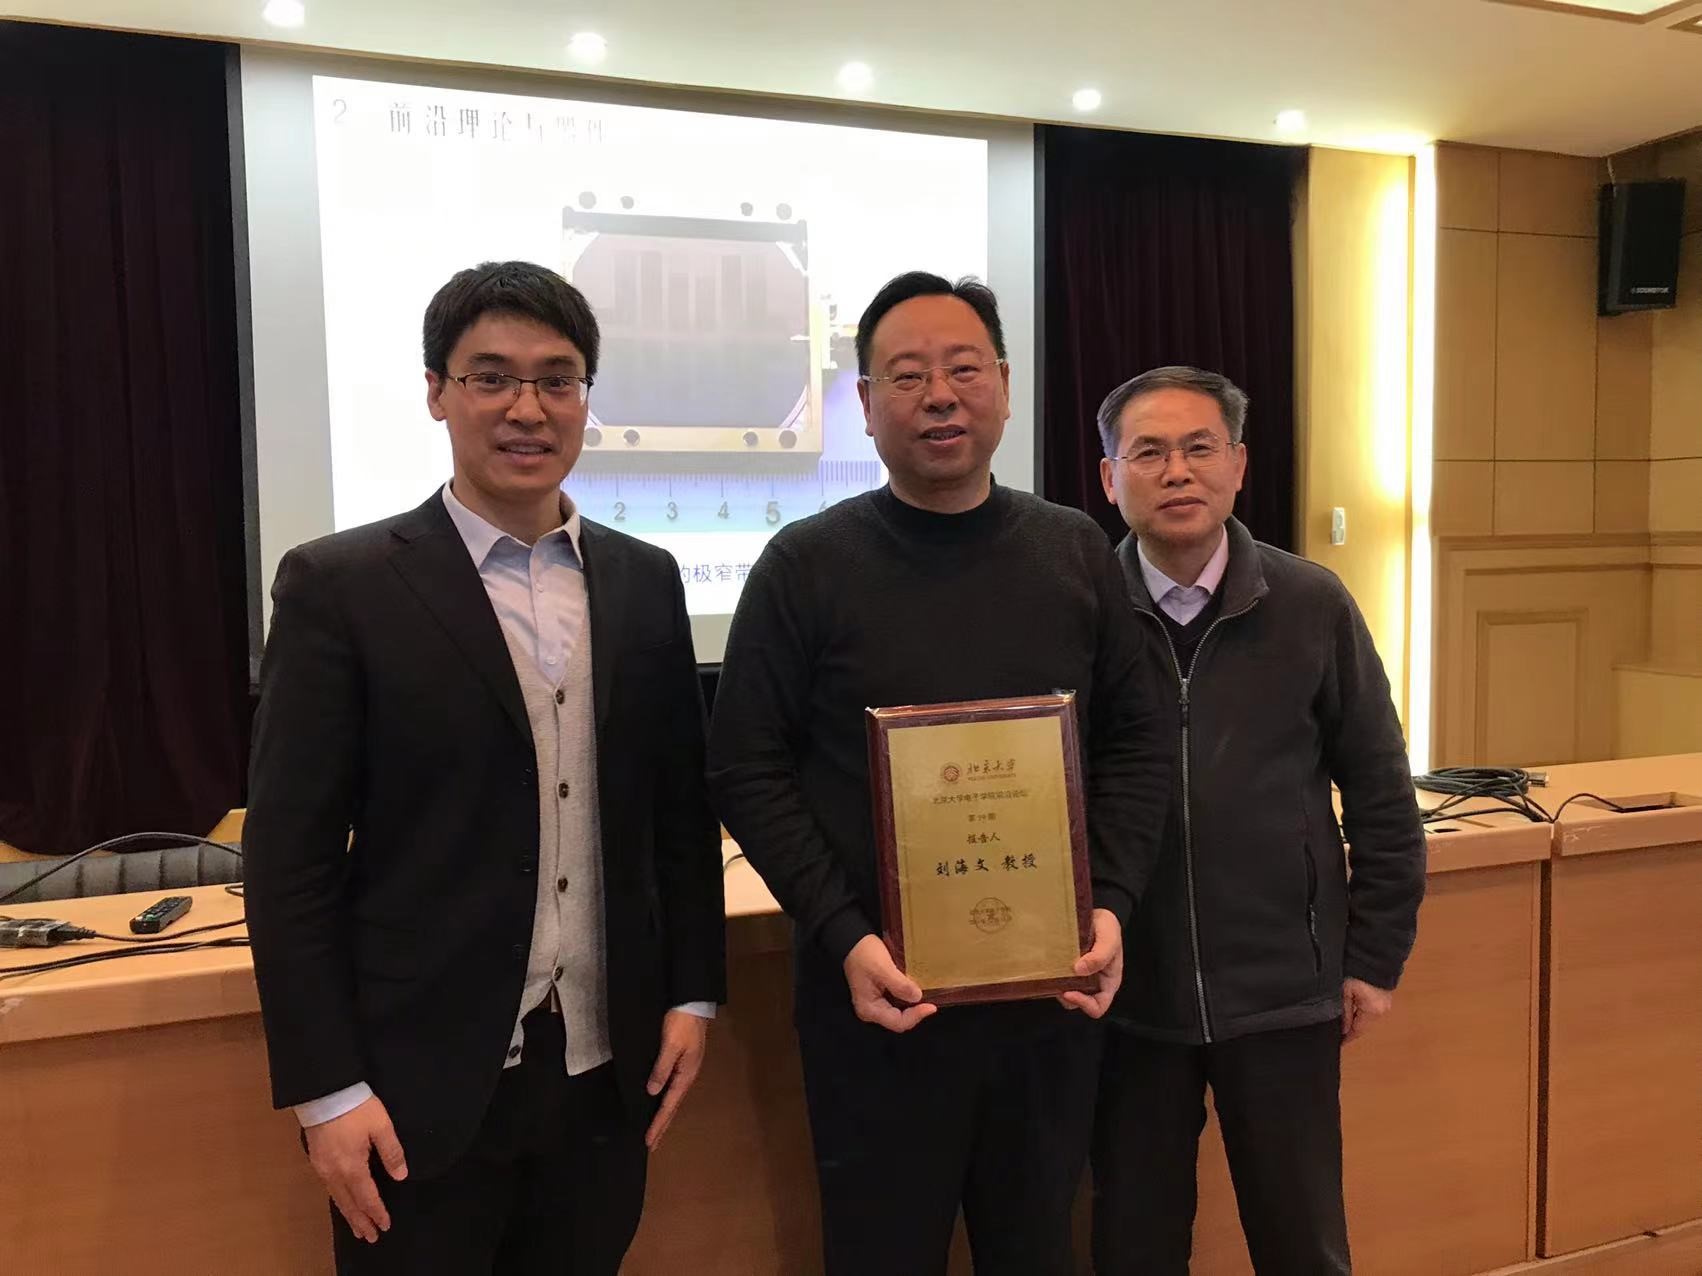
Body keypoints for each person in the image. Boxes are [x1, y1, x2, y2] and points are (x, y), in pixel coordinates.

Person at [244, 260, 725, 1274]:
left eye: (557, 379)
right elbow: (289, 863)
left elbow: (679, 817)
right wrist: (326, 1090)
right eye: (491, 377)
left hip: (602, 1076)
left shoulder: (644, 580)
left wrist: (693, 994)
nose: (527, 408)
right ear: (437, 391)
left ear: (586, 396)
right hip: (414, 1088)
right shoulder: (341, 586)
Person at [707, 271, 1170, 1275]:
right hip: (877, 1006)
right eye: (907, 375)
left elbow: (1138, 742)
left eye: (963, 369)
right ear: (865, 404)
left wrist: (1113, 902)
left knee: (1037, 1250)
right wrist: (842, 933)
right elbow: (745, 765)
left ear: (1002, 384)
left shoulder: (1074, 551)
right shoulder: (804, 564)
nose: (939, 396)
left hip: (1048, 1007)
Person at [1090, 365, 1426, 1274]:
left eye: (1200, 448)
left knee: (1302, 1240)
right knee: (1132, 1243)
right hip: (1125, 996)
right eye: (1148, 453)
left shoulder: (1311, 603)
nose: (1177, 471)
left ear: (1239, 465)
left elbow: (1382, 792)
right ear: (1110, 478)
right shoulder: (1081, 611)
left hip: (1285, 989)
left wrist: (1374, 957)